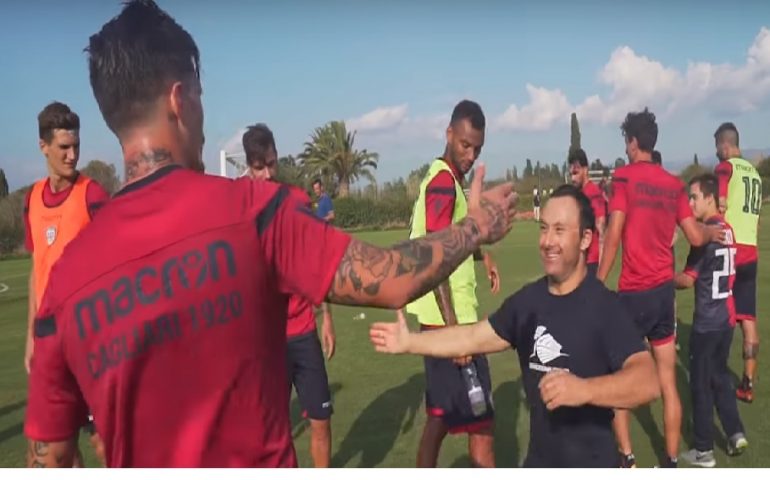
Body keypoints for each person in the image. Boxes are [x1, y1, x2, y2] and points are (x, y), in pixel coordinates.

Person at [23, 0, 517, 468]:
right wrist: (478, 225)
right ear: (180, 99)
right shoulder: (256, 214)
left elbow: (50, 455)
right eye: (199, 95)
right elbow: (389, 278)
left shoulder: (63, 285)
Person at [371, 185, 660, 468]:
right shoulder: (528, 303)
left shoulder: (605, 306)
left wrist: (585, 390)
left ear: (585, 239)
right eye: (543, 228)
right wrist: (410, 343)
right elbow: (472, 337)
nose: (547, 241)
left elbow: (647, 381)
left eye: (559, 230)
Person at [597, 108, 723, 468]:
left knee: (618, 379)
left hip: (633, 295)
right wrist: (712, 230)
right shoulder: (673, 185)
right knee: (667, 381)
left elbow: (615, 234)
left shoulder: (623, 178)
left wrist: (596, 283)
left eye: (626, 140)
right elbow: (695, 234)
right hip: (662, 296)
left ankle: (627, 458)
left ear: (633, 142)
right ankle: (669, 463)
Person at [403, 99, 501, 468]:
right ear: (449, 134)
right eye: (465, 145)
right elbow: (436, 256)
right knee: (482, 427)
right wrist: (455, 330)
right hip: (450, 324)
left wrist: (481, 254)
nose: (471, 154)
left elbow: (450, 239)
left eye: (477, 148)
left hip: (437, 323)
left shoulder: (443, 178)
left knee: (440, 417)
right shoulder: (444, 184)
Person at [242, 123, 336, 467]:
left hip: (303, 332)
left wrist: (326, 317)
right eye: (258, 167)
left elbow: (316, 263)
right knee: (274, 430)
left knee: (321, 422)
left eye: (271, 163)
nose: (267, 174)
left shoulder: (295, 201)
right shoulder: (234, 203)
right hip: (265, 341)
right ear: (247, 166)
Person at [23, 101, 110, 467]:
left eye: (76, 145)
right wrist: (31, 334)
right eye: (63, 147)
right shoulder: (32, 200)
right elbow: (36, 270)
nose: (73, 155)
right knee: (49, 455)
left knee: (107, 446)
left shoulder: (93, 196)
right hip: (48, 344)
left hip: (91, 344)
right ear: (43, 146)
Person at [675, 174, 748, 467]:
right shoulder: (727, 229)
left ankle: (704, 450)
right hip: (727, 318)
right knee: (720, 378)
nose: (690, 202)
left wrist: (660, 277)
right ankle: (735, 432)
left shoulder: (704, 235)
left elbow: (687, 281)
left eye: (694, 197)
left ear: (709, 198)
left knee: (701, 384)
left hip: (707, 321)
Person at [713, 122, 761, 403]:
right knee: (748, 318)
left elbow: (720, 204)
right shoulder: (753, 172)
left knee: (721, 312)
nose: (716, 152)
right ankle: (748, 383)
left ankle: (715, 373)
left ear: (724, 144)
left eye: (717, 146)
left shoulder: (725, 167)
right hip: (752, 251)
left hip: (731, 249)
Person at [569, 148, 607, 276]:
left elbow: (602, 231)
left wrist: (601, 272)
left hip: (591, 263)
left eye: (575, 172)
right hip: (578, 261)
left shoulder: (593, 194)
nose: (572, 178)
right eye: (571, 174)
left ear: (585, 170)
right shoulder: (578, 195)